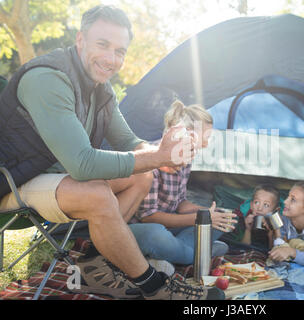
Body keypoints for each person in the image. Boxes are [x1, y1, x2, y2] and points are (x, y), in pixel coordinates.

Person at [0, 5, 224, 300]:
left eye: (120, 51)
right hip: (13, 180)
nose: (111, 59)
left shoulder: (102, 89)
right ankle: (154, 288)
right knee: (97, 192)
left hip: (52, 177)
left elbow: (130, 142)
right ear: (80, 40)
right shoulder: (47, 78)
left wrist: (163, 155)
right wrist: (156, 157)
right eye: (102, 45)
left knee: (143, 176)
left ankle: (96, 264)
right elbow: (82, 165)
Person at [128, 100, 238, 265]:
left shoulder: (186, 158)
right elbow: (148, 217)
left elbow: (179, 204)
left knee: (224, 218)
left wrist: (206, 212)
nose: (207, 144)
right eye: (205, 137)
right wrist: (199, 219)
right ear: (188, 133)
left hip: (170, 227)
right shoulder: (152, 159)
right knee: (156, 234)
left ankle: (178, 252)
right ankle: (196, 254)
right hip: (144, 228)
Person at [222, 184, 281, 251]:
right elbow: (243, 247)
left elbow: (275, 251)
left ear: (275, 210)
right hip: (248, 252)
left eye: (266, 205)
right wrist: (248, 229)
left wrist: (271, 233)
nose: (259, 208)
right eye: (256, 202)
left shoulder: (277, 224)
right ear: (251, 204)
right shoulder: (244, 219)